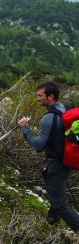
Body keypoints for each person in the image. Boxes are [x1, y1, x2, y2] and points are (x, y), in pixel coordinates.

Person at [18, 81, 79, 232]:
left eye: (40, 96)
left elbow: (39, 145)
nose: (37, 99)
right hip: (67, 161)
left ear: (50, 97)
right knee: (56, 195)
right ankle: (51, 225)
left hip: (56, 165)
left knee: (59, 203)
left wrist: (25, 129)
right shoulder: (64, 108)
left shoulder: (49, 118)